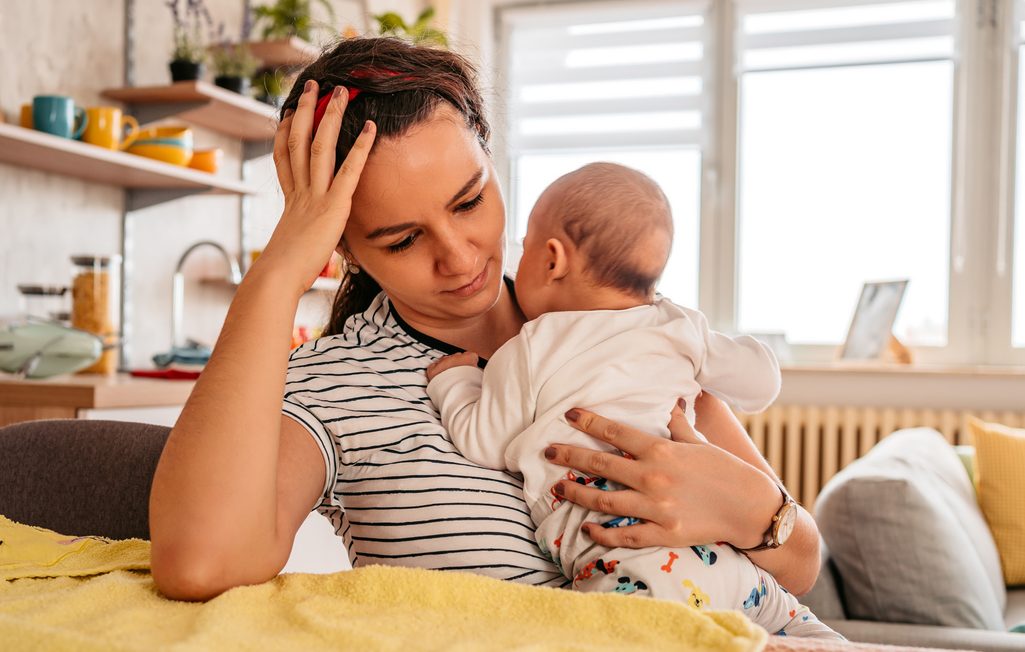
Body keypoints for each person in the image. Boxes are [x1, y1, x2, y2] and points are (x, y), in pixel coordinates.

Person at [148, 37, 824, 609]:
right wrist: (279, 270)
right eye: (402, 239)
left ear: (491, 156)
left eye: (469, 201)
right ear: (344, 246)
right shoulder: (336, 383)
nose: (459, 256)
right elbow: (201, 564)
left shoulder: (611, 319)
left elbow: (801, 562)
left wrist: (754, 511)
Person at [422, 163, 841, 638]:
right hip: (732, 565)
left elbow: (483, 440)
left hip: (638, 567)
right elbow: (761, 384)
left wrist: (454, 382)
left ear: (553, 260)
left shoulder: (530, 347)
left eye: (527, 244)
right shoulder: (678, 324)